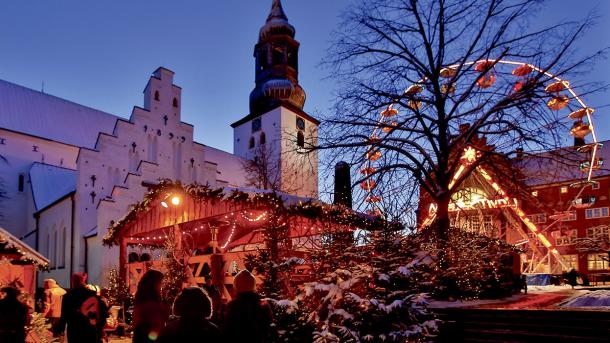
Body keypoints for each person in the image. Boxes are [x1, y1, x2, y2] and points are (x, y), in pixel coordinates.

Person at [223, 270, 273, 343]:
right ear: (253, 286)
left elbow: (227, 331)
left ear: (236, 287)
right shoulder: (262, 306)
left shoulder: (233, 308)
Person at [58, 272, 108, 342]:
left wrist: (61, 329)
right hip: (90, 328)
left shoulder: (68, 296)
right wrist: (100, 329)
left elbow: (64, 314)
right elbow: (101, 313)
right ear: (83, 281)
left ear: (73, 281)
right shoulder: (92, 294)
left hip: (74, 329)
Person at [132, 269, 168, 343]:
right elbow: (156, 324)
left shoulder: (141, 299)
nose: (161, 287)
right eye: (160, 283)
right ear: (153, 284)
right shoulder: (150, 303)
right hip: (148, 338)